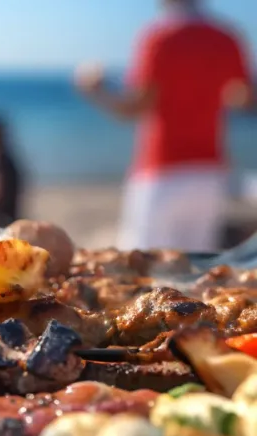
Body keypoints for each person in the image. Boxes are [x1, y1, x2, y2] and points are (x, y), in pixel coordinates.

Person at [75, 0, 254, 252]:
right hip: (209, 172)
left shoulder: (160, 37)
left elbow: (133, 108)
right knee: (196, 271)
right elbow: (245, 98)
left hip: (162, 171)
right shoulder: (228, 37)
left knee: (141, 269)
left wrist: (95, 89)